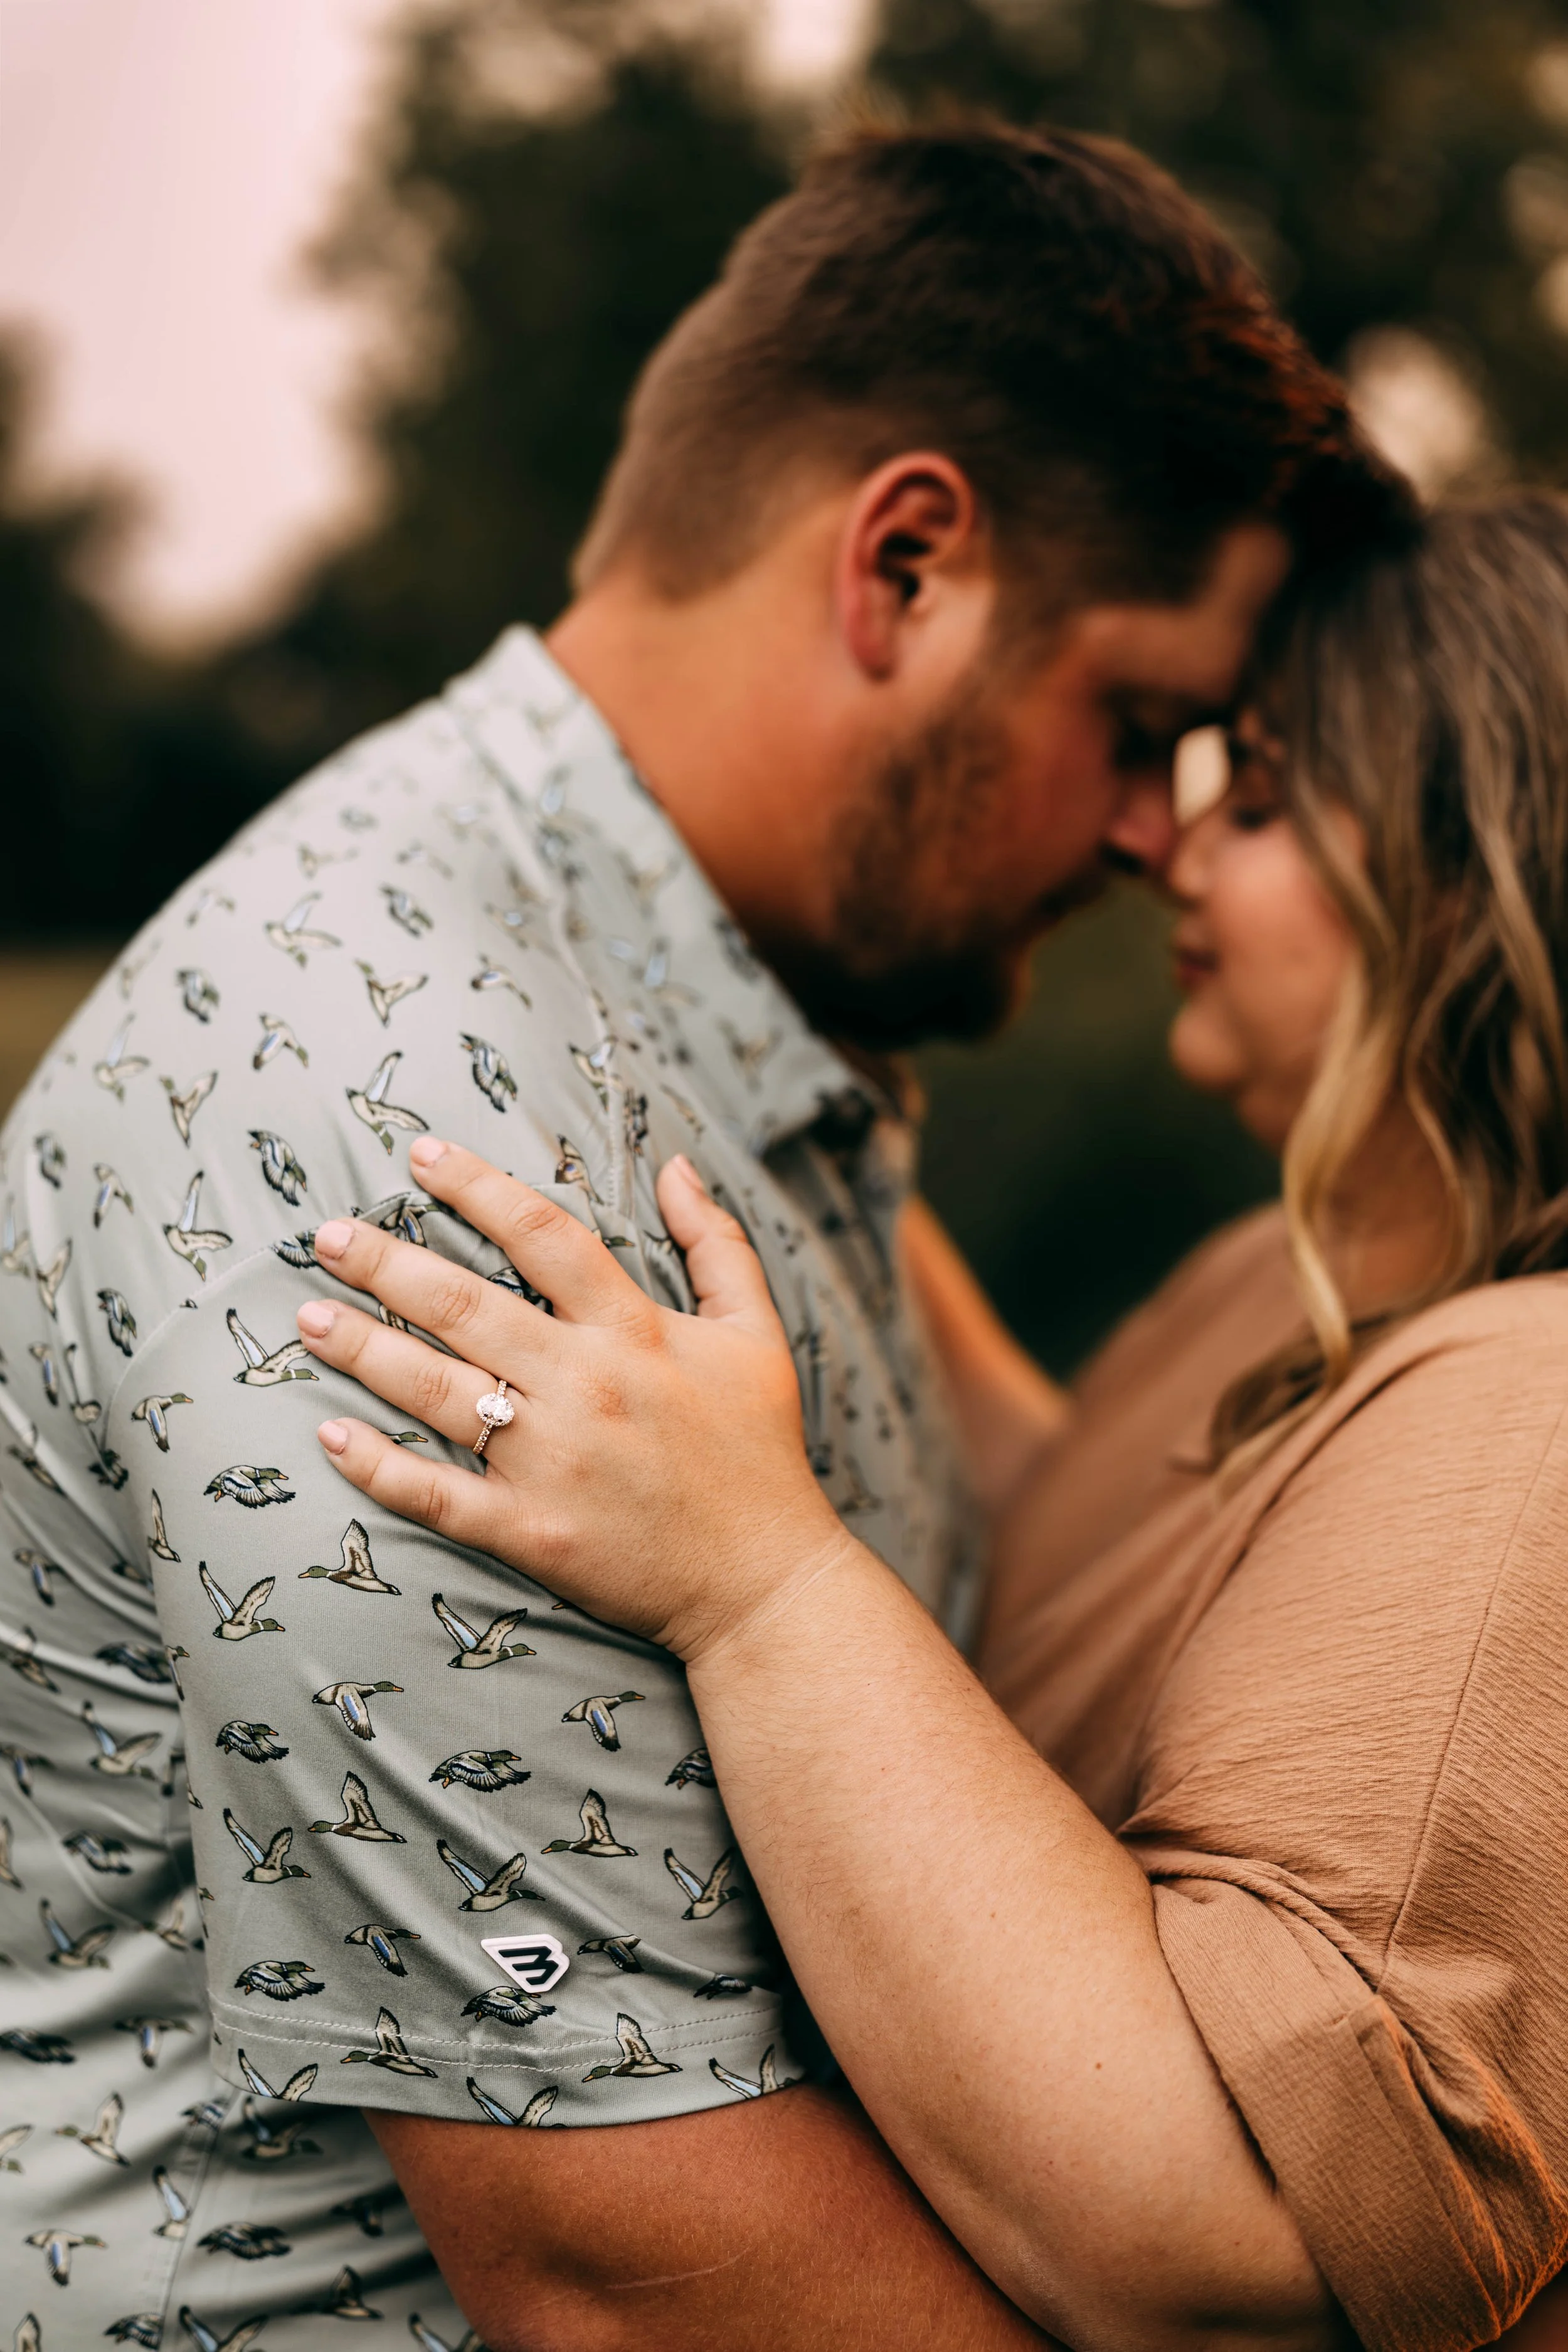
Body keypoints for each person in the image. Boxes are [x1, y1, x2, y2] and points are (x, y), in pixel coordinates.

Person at [0, 122, 1400, 2350]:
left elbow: (1029, 1577)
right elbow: (621, 2259)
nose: (1159, 831)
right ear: (907, 567)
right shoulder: (401, 1125)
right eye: (1136, 723)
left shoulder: (736, 1008)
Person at [297, 492, 1568, 2352]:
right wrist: (787, 1088)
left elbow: (1231, 2225)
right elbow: (1102, 1557)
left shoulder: (1531, 1405)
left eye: (1270, 795)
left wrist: (750, 1577)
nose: (1173, 839)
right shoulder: (1277, 1280)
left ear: (1475, 878)